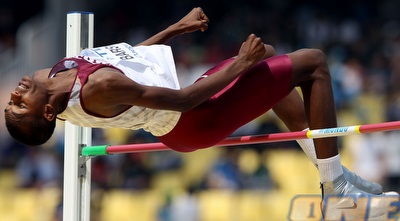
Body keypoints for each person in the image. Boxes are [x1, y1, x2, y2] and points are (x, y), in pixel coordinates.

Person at [4, 7, 398, 218]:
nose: (16, 94)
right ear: (50, 113)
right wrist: (238, 64)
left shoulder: (52, 73)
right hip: (193, 118)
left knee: (273, 65)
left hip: (182, 114)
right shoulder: (97, 90)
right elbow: (184, 100)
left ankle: (334, 176)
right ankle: (336, 188)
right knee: (313, 63)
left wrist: (175, 29)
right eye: (21, 105)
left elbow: (124, 57)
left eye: (12, 101)